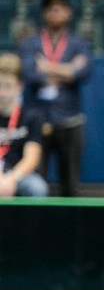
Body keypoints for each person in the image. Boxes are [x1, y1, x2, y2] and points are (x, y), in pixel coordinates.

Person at [19, 0, 92, 197]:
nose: (56, 12)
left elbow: (84, 72)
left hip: (69, 120)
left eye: (60, 9)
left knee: (70, 184)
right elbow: (29, 74)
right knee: (35, 183)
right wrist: (67, 69)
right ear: (44, 14)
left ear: (69, 13)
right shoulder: (30, 43)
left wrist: (47, 66)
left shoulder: (78, 43)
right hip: (37, 120)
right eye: (51, 9)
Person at [0, 53, 50, 198]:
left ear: (19, 87)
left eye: (8, 86)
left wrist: (11, 179)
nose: (2, 93)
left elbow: (32, 157)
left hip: (18, 174)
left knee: (37, 188)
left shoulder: (31, 117)